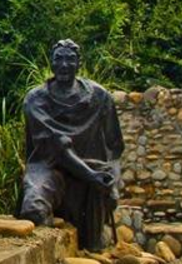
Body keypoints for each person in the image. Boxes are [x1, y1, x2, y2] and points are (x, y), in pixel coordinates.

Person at [19, 39, 123, 251]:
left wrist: (113, 181)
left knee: (94, 244)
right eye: (58, 59)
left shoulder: (100, 97)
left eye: (70, 59)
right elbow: (59, 148)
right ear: (51, 63)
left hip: (92, 168)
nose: (64, 65)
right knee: (33, 210)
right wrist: (91, 176)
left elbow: (114, 148)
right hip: (49, 167)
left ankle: (92, 246)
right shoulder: (35, 100)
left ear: (79, 63)